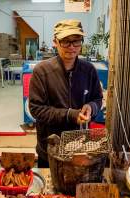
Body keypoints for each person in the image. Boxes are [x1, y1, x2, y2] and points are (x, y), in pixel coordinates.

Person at [29, 19, 103, 168]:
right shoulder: (42, 71)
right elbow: (36, 109)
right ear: (55, 42)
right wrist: (70, 115)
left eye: (76, 41)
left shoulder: (89, 70)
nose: (71, 47)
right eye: (65, 42)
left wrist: (91, 107)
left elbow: (97, 98)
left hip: (80, 147)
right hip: (50, 146)